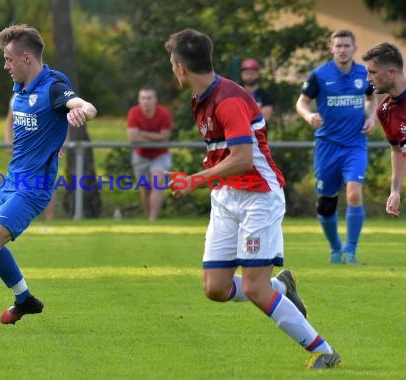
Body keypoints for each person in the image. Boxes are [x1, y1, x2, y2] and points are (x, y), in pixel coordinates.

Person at [164, 28, 341, 369]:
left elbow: (244, 158)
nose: (173, 70)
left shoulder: (228, 99)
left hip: (258, 196)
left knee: (256, 289)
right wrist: (199, 177)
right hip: (227, 196)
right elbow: (223, 155)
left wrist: (194, 181)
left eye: (172, 64)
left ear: (182, 67)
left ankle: (323, 350)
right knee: (215, 288)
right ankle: (282, 286)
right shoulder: (200, 98)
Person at [0, 24, 97, 335]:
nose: (5, 66)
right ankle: (25, 299)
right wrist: (54, 140)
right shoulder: (20, 88)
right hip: (11, 181)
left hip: (33, 188)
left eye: (8, 59)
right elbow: (43, 127)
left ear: (26, 57)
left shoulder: (52, 85)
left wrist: (82, 113)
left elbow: (82, 104)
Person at [295, 29, 377, 265]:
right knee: (326, 202)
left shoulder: (364, 74)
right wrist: (308, 116)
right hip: (327, 146)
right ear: (331, 49)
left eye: (346, 46)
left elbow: (372, 99)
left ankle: (350, 251)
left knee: (353, 193)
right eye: (338, 46)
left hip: (355, 145)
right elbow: (301, 102)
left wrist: (371, 117)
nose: (342, 50)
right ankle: (335, 248)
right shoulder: (319, 75)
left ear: (354, 48)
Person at [362, 43, 406, 217]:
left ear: (391, 73)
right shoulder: (384, 110)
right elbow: (397, 150)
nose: (368, 79)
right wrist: (395, 190)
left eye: (372, 72)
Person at [5, 94, 58, 221]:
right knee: (17, 183)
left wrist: (61, 141)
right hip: (22, 151)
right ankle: (15, 218)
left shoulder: (50, 92)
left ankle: (49, 220)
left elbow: (62, 119)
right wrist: (7, 142)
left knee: (46, 183)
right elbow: (9, 120)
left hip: (44, 149)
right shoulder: (17, 96)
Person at [127, 86, 173, 220]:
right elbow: (133, 138)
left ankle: (153, 219)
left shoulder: (163, 113)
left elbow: (165, 136)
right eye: (143, 98)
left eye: (149, 98)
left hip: (160, 155)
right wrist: (155, 136)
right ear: (139, 100)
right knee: (145, 188)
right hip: (140, 155)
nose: (146, 101)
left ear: (155, 100)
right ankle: (148, 217)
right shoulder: (134, 112)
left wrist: (142, 133)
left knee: (157, 183)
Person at [240, 58, 274, 124]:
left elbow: (266, 117)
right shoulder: (235, 93)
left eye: (252, 73)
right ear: (242, 74)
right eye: (246, 73)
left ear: (258, 74)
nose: (249, 76)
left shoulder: (265, 95)